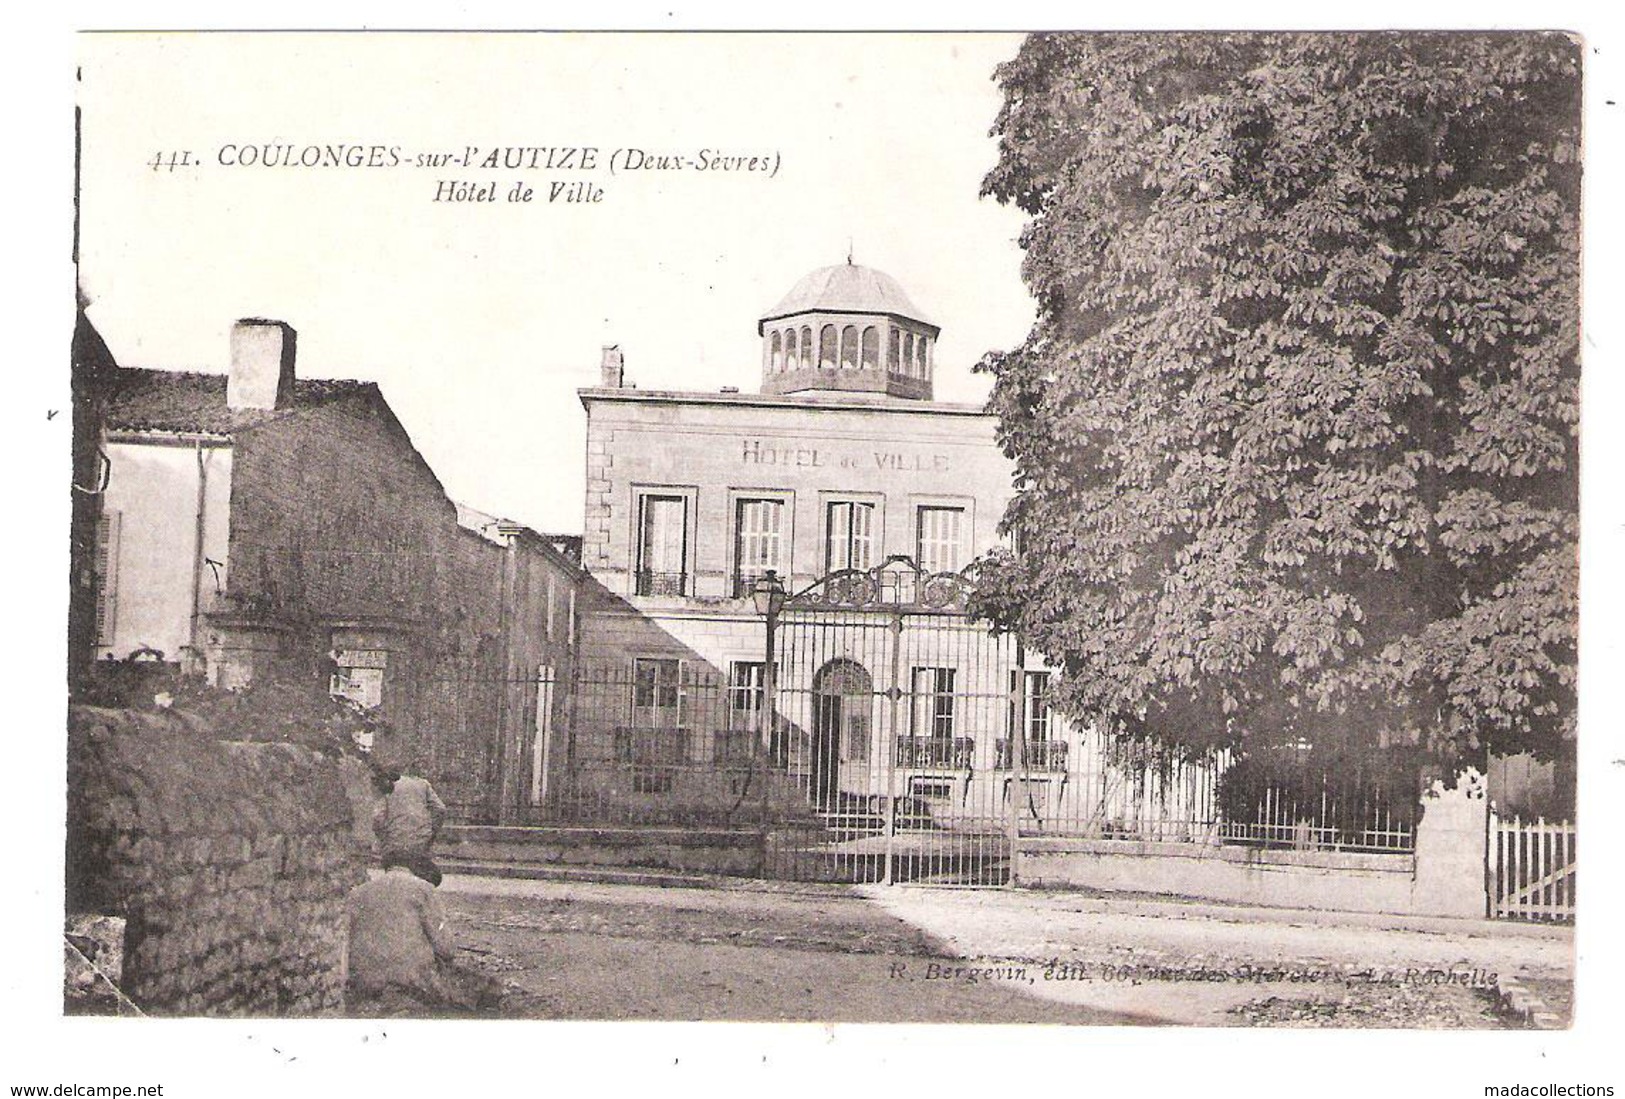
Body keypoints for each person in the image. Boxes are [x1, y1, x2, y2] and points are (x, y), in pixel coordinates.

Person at [343, 855, 459, 1016]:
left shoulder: (358, 892)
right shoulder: (423, 888)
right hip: (410, 981)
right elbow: (447, 948)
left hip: (365, 980)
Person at [372, 764, 447, 886]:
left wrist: (383, 838)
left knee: (393, 881)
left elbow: (378, 818)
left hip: (394, 841)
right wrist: (431, 832)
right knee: (419, 880)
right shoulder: (423, 784)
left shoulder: (387, 786)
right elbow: (441, 809)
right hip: (419, 840)